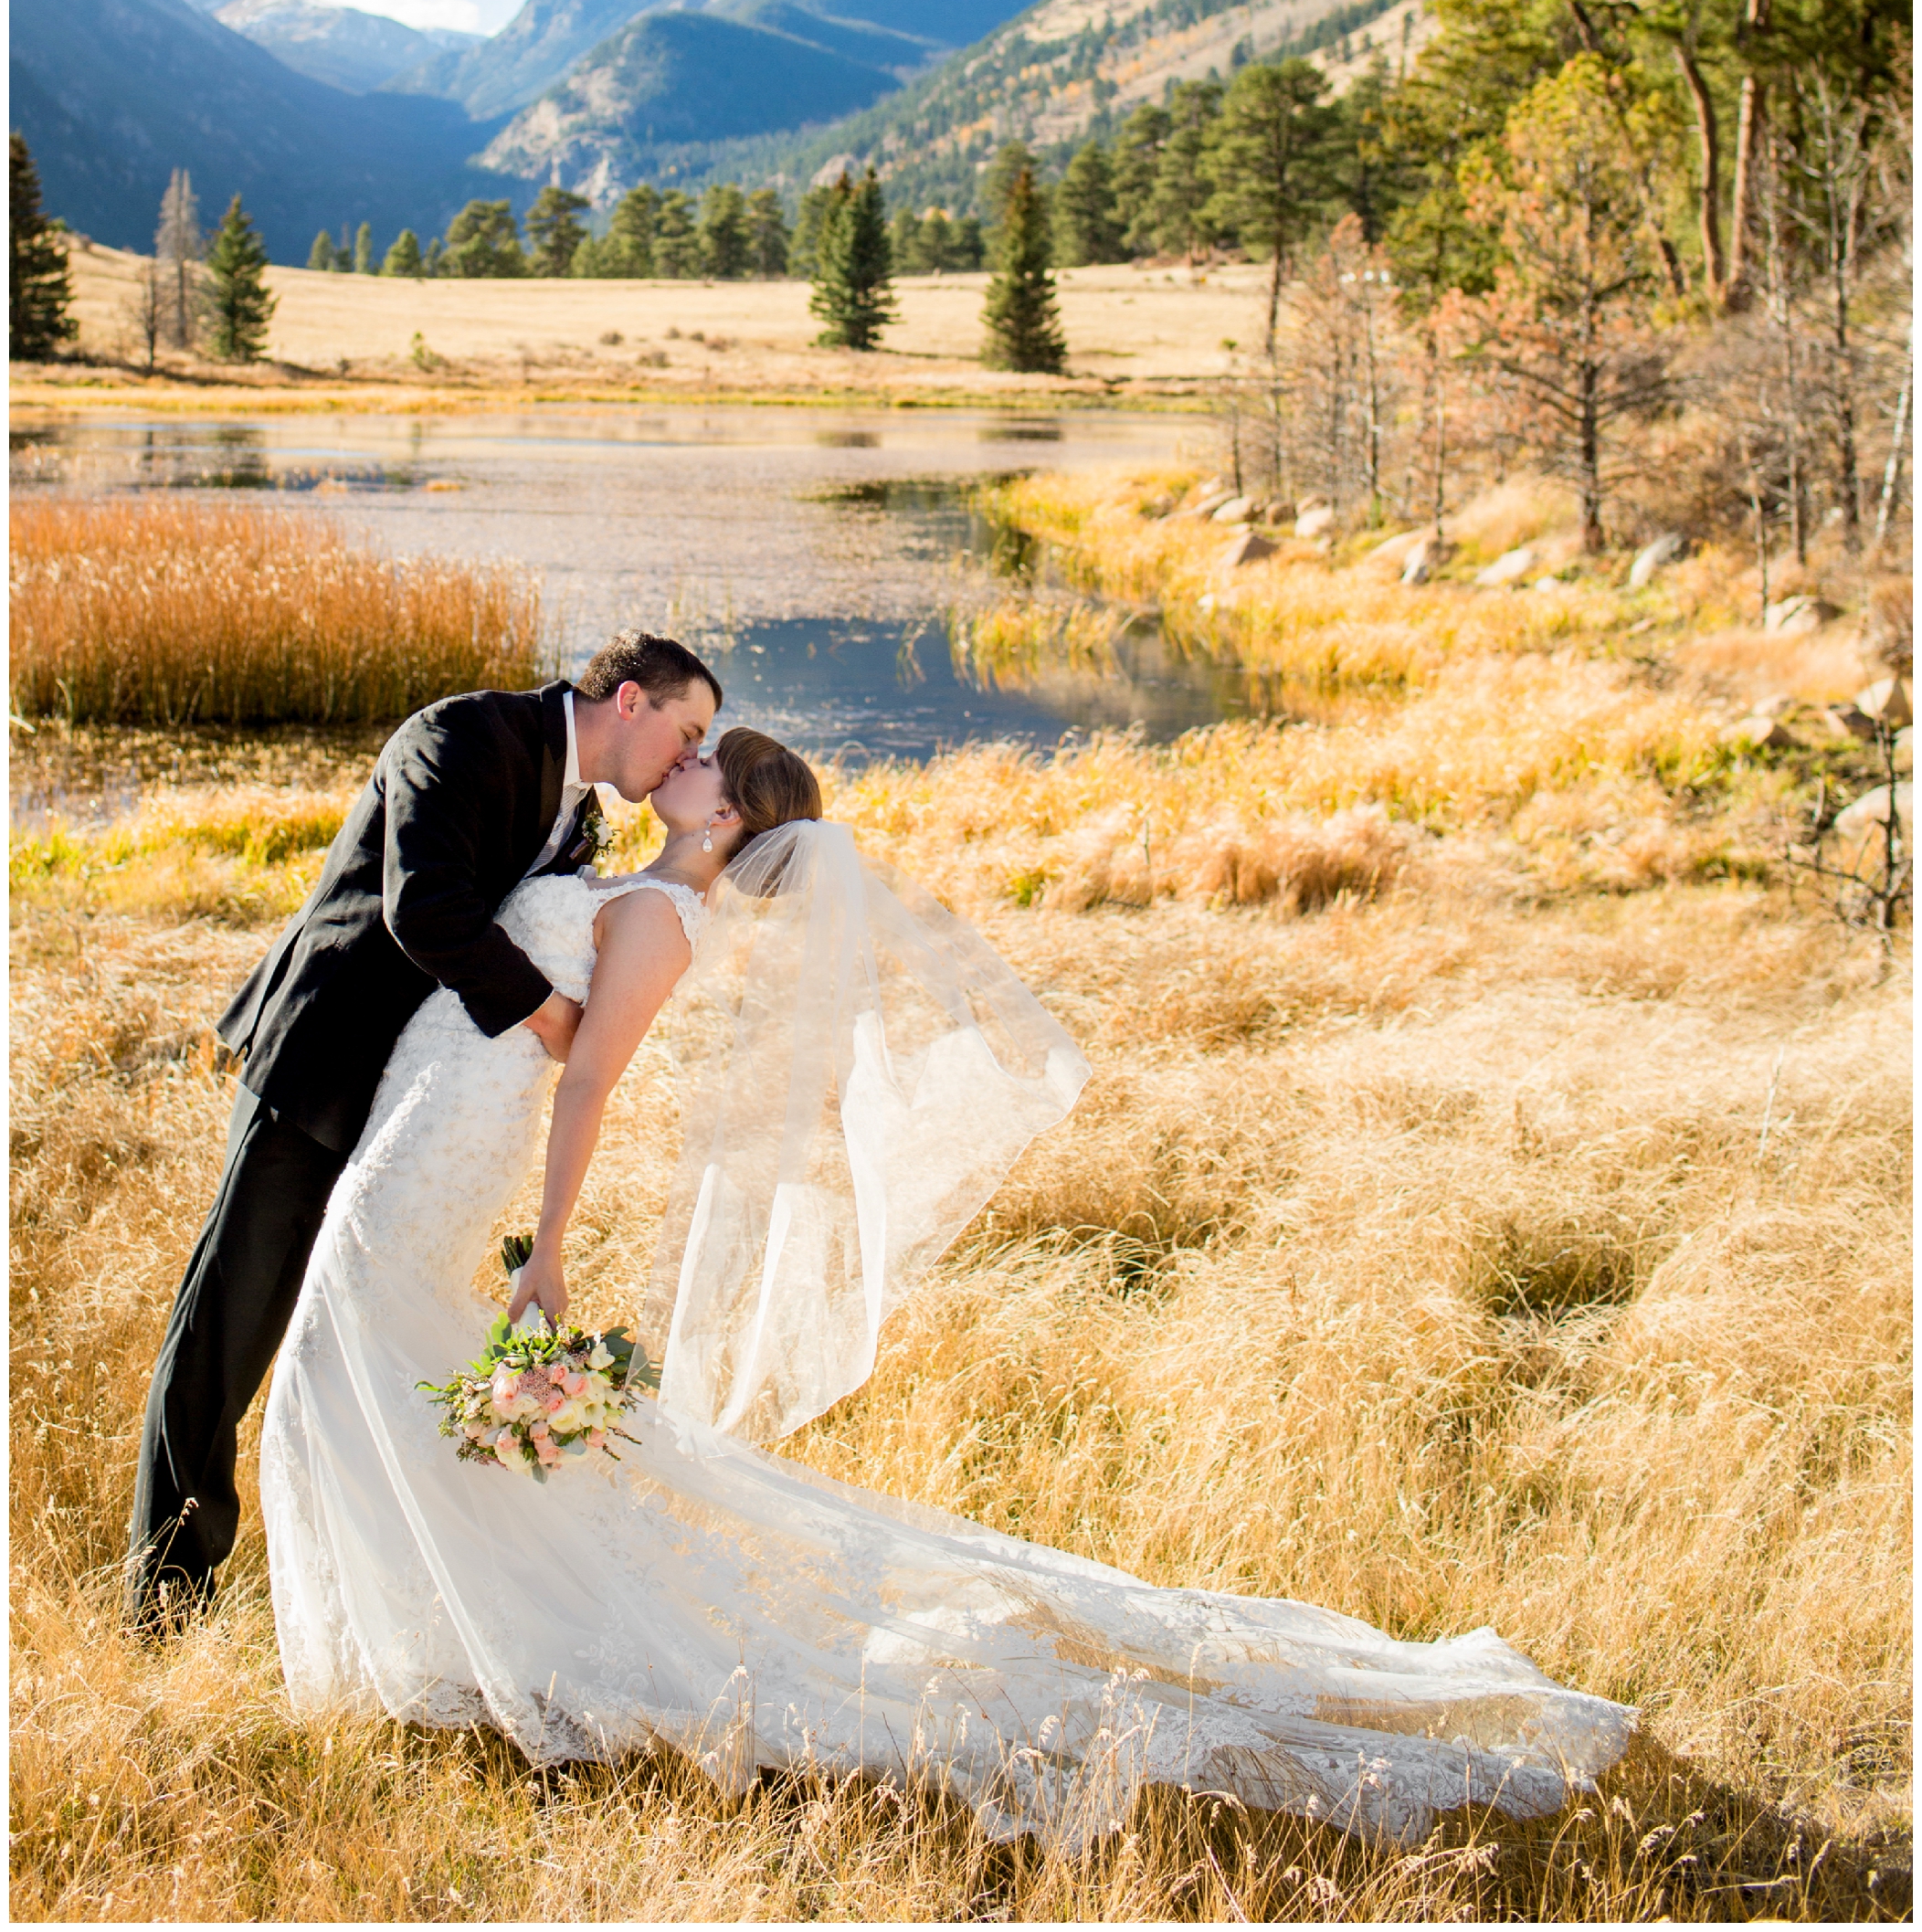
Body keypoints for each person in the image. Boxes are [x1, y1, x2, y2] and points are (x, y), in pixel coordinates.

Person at [258, 724, 1636, 1850]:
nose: (677, 753)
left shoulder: (665, 918)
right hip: (433, 1129)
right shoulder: (638, 875)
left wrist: (550, 1250)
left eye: (701, 757)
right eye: (684, 742)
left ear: (730, 814)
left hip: (454, 1159)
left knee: (339, 1361)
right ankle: (439, 1630)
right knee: (360, 1366)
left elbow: (595, 1079)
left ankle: (435, 1646)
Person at [124, 630, 721, 1630]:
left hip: (415, 1102)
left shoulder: (576, 811)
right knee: (232, 1325)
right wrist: (557, 1018)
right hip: (321, 1062)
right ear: (630, 700)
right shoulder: (463, 733)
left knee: (350, 1327)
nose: (686, 755)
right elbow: (426, 909)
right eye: (686, 729)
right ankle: (165, 1597)